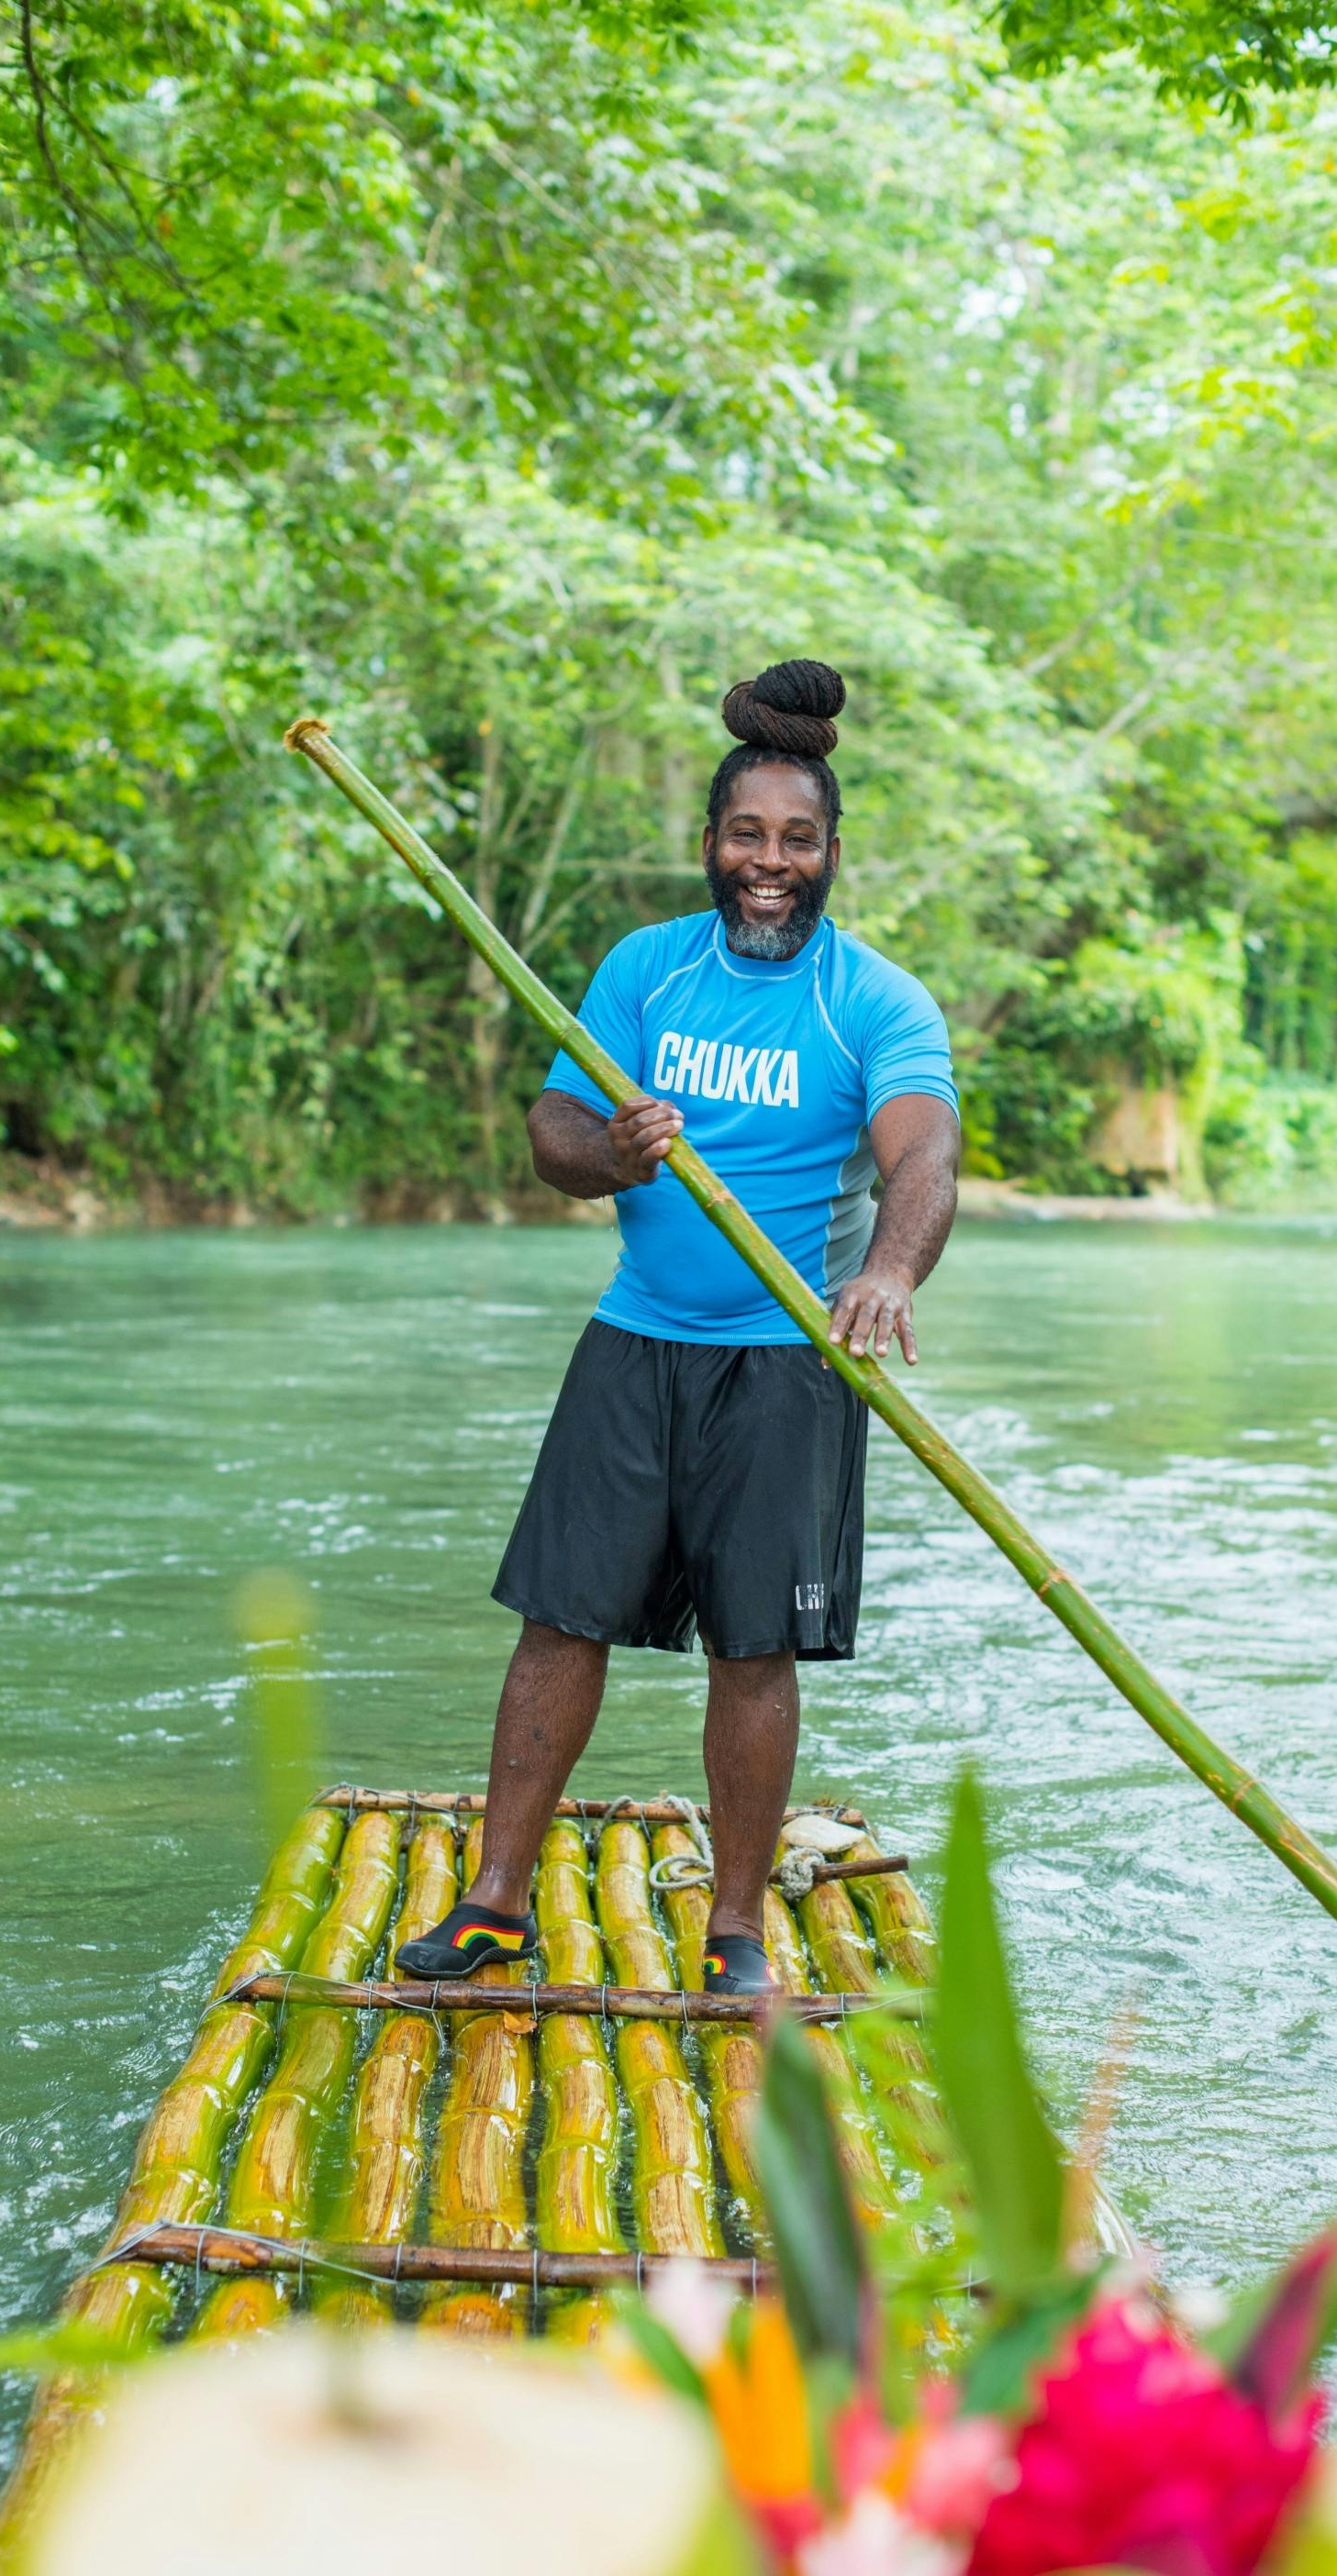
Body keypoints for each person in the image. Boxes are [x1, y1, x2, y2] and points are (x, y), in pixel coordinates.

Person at [399, 658, 959, 1993]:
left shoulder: (872, 998)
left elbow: (924, 1156)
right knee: (556, 1621)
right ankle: (493, 1903)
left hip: (787, 1363)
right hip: (636, 1341)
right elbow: (550, 1133)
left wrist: (888, 1271)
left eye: (798, 840)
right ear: (710, 842)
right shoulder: (646, 969)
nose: (771, 862)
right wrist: (616, 1150)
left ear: (832, 852)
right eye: (746, 835)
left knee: (754, 1648)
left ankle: (739, 1928)